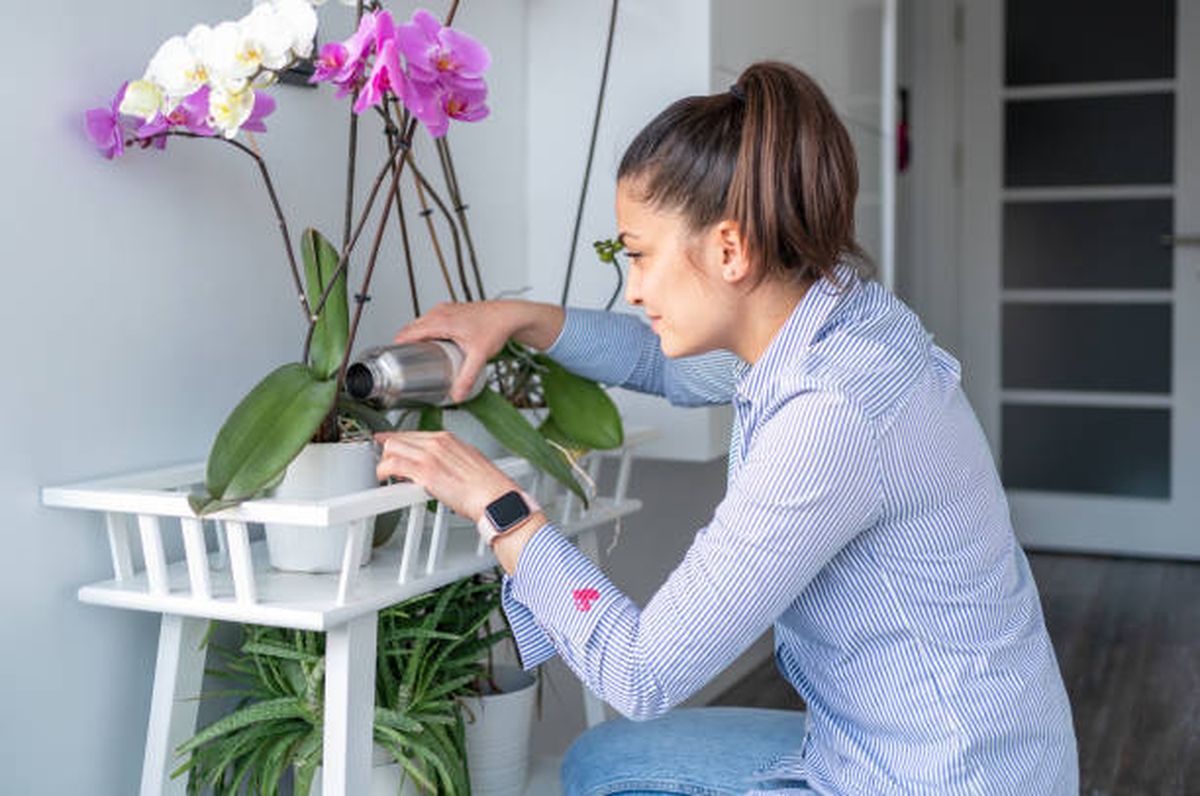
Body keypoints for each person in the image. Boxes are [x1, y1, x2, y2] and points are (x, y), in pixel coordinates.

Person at [374, 61, 1078, 795]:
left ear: (730, 250)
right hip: (908, 745)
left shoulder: (832, 413)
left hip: (939, 778)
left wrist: (499, 508)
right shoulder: (833, 322)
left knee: (610, 774)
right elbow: (657, 361)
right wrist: (517, 319)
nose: (633, 288)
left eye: (639, 255)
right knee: (604, 762)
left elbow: (641, 670)